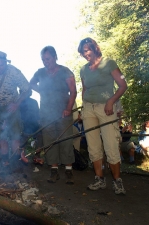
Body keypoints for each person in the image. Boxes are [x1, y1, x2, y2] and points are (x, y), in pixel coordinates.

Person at [78, 37, 128, 195]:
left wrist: (111, 101)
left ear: (95, 48)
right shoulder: (83, 69)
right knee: (93, 146)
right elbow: (84, 89)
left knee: (111, 145)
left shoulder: (109, 63)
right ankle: (99, 179)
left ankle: (117, 181)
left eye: (87, 50)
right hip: (88, 109)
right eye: (83, 51)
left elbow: (122, 85)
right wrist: (82, 110)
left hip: (106, 108)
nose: (85, 54)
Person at [30, 46, 77, 184]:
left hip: (63, 111)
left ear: (55, 57)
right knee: (50, 141)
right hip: (46, 112)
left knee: (65, 139)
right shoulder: (40, 72)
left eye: (48, 59)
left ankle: (69, 170)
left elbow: (73, 91)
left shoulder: (65, 71)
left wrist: (68, 108)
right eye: (43, 59)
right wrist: (41, 91)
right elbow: (31, 83)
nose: (46, 62)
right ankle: (54, 170)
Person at [0, 51, 30, 167]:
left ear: (5, 62)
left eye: (1, 65)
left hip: (12, 106)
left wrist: (17, 104)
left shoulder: (14, 72)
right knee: (0, 136)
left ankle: (16, 160)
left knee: (15, 135)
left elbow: (27, 89)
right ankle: (5, 161)